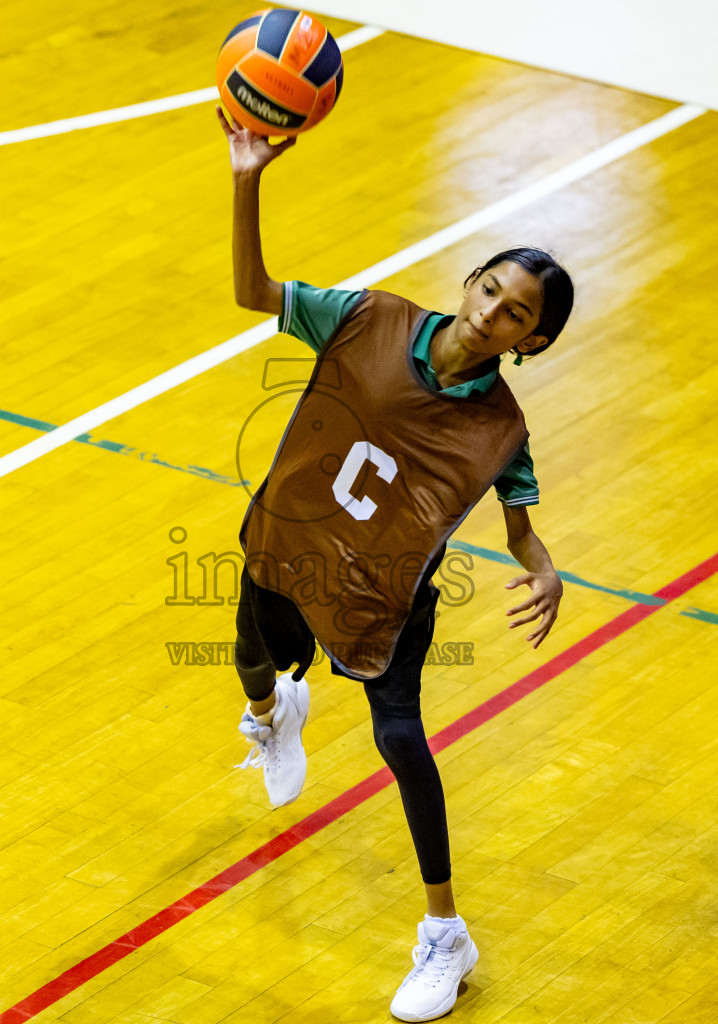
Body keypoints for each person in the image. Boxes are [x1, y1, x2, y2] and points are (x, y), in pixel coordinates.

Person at [218, 109, 568, 1023]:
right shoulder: (366, 315)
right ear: (471, 281)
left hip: (386, 595)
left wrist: (541, 565)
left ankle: (445, 936)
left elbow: (520, 527)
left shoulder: (502, 432)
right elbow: (253, 289)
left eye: (517, 313)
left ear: (530, 342)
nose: (494, 311)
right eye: (492, 289)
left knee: (402, 745)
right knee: (248, 657)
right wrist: (247, 175)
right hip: (292, 540)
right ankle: (274, 712)